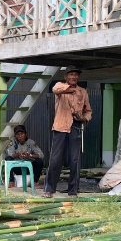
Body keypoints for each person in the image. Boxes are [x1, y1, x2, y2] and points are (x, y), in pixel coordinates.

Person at [43, 65, 91, 198]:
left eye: (76, 75)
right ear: (66, 77)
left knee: (74, 160)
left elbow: (88, 111)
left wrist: (83, 118)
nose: (74, 77)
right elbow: (55, 89)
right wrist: (71, 91)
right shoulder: (60, 86)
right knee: (55, 159)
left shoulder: (83, 91)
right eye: (71, 74)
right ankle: (49, 189)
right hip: (60, 127)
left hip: (76, 127)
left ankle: (73, 191)